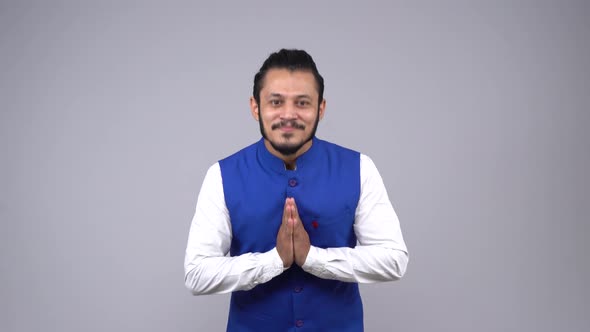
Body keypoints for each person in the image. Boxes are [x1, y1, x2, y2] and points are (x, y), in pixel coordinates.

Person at [184, 49, 408, 331]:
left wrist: (312, 258)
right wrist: (274, 261)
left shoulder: (360, 168)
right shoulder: (221, 175)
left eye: (302, 103)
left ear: (321, 108)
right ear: (255, 107)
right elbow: (197, 274)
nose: (288, 115)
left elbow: (394, 260)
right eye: (275, 102)